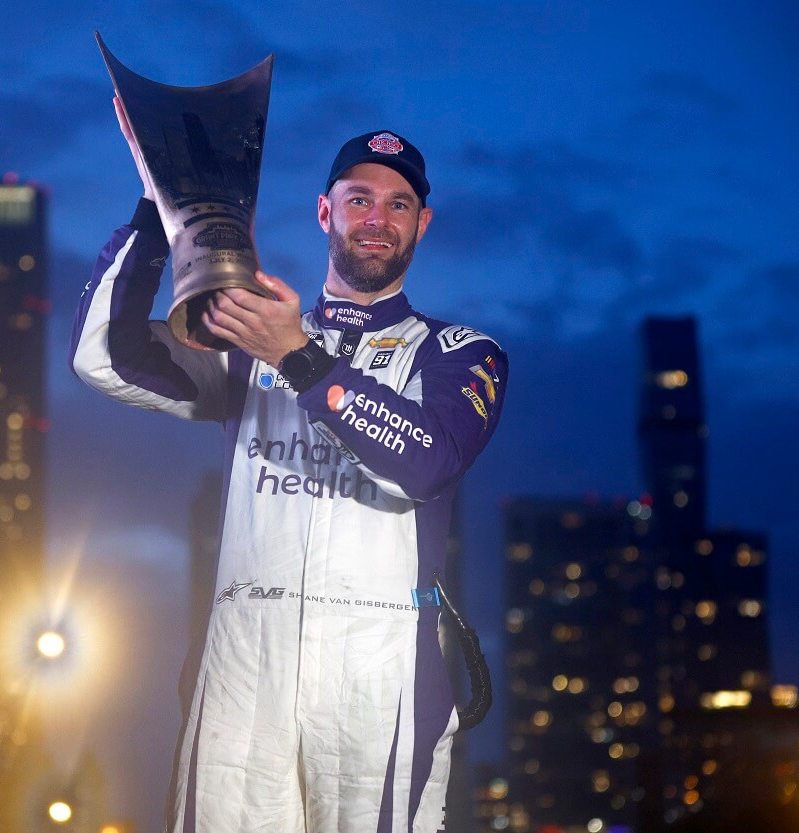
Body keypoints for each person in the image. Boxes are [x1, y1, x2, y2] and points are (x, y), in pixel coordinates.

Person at [70, 99, 508, 833]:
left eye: (400, 204)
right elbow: (101, 357)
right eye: (359, 199)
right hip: (246, 655)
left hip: (383, 664)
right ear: (323, 212)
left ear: (421, 225)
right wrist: (160, 205)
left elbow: (427, 464)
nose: (378, 217)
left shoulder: (460, 352)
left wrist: (297, 357)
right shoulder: (250, 338)